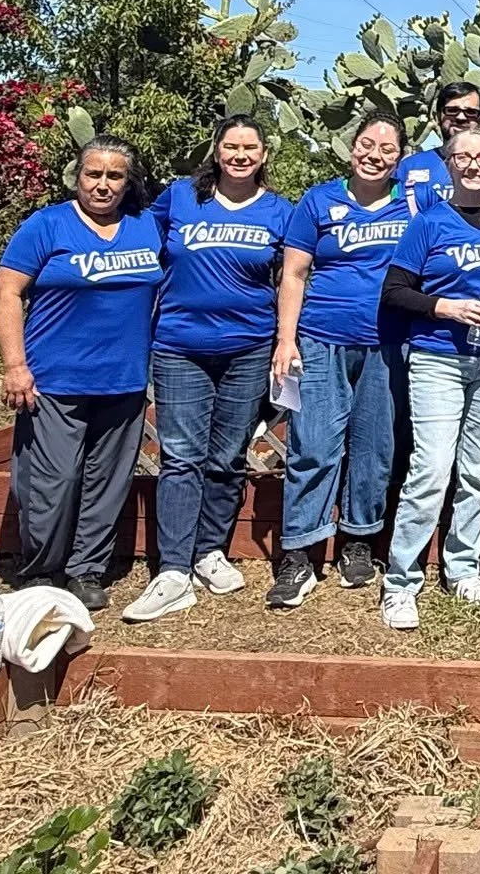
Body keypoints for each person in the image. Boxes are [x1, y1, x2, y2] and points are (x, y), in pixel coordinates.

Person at [123, 116, 292, 623]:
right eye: (231, 146)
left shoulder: (280, 211)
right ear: (216, 150)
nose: (240, 155)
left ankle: (208, 551)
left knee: (226, 455)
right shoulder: (178, 198)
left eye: (250, 147)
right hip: (179, 346)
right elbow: (133, 243)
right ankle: (173, 569)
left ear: (264, 155)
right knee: (180, 455)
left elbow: (295, 276)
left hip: (248, 348)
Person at [0, 135, 163, 613]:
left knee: (107, 482)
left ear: (128, 183)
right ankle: (42, 570)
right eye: (94, 174)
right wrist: (14, 365)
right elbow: (6, 294)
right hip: (54, 380)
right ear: (78, 176)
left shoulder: (146, 227)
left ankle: (86, 570)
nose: (103, 185)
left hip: (124, 380)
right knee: (50, 481)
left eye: (114, 176)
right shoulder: (47, 225)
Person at [378, 129, 480, 629]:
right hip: (438, 358)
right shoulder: (428, 224)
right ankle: (401, 582)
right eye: (463, 156)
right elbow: (395, 291)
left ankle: (463, 568)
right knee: (430, 470)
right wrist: (445, 307)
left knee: (477, 471)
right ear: (448, 163)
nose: (473, 163)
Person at [269, 113, 414, 609]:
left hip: (387, 342)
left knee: (374, 445)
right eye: (366, 144)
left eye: (387, 148)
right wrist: (286, 340)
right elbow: (294, 274)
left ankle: (358, 538)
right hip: (320, 338)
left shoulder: (413, 204)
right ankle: (299, 550)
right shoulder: (318, 201)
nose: (375, 154)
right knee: (313, 444)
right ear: (350, 147)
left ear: (400, 157)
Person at [397, 81, 480, 211]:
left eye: (470, 112)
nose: (460, 117)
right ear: (437, 116)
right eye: (452, 110)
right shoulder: (410, 167)